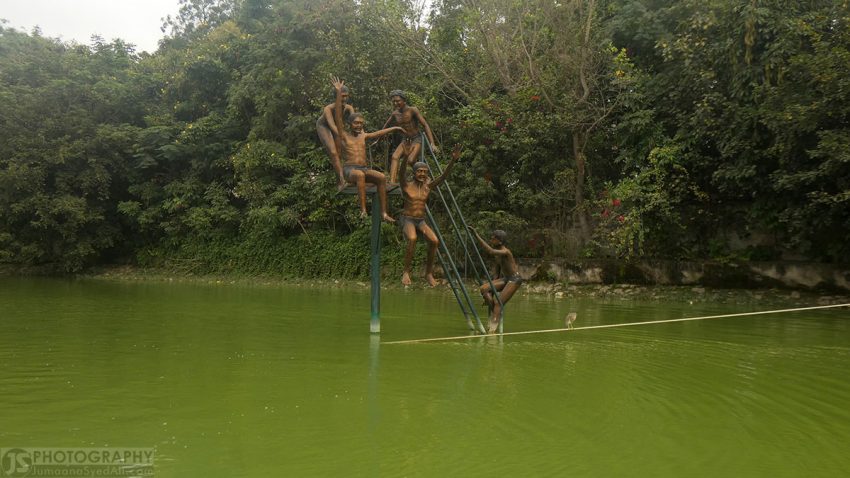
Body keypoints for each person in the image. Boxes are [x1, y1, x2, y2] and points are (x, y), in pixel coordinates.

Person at [331, 77, 403, 222]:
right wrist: (339, 93)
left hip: (362, 169)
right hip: (349, 170)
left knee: (381, 177)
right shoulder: (343, 135)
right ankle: (363, 210)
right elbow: (338, 117)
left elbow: (378, 133)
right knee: (359, 175)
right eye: (356, 123)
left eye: (361, 124)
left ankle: (384, 213)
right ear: (350, 124)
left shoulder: (363, 136)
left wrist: (395, 127)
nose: (359, 126)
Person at [398, 145, 462, 286]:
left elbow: (443, 177)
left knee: (434, 241)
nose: (422, 174)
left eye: (425, 172)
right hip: (407, 219)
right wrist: (405, 158)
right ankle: (406, 271)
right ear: (414, 173)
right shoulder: (406, 186)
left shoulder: (428, 187)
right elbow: (401, 173)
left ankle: (428, 273)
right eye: (419, 171)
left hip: (420, 220)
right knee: (412, 238)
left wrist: (453, 160)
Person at [468, 227, 523, 333]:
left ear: (500, 241)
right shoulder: (498, 256)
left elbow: (490, 251)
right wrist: (489, 296)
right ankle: (495, 312)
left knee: (498, 303)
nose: (491, 240)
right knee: (484, 288)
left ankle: (492, 330)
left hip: (514, 279)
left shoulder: (505, 252)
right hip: (506, 278)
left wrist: (475, 235)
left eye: (493, 239)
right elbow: (496, 276)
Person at [381, 90, 439, 185]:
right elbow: (385, 126)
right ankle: (392, 182)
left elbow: (425, 125)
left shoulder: (412, 110)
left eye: (398, 101)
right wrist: (378, 138)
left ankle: (425, 177)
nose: (396, 103)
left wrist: (432, 143)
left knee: (411, 160)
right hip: (405, 140)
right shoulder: (395, 114)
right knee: (395, 157)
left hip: (416, 138)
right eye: (394, 101)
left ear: (404, 100)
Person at [316, 84, 355, 191]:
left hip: (338, 128)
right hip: (324, 127)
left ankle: (340, 181)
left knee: (340, 153)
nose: (345, 98)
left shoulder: (349, 108)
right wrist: (343, 135)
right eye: (342, 96)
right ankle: (342, 181)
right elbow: (332, 125)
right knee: (333, 152)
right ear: (336, 96)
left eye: (346, 96)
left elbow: (355, 122)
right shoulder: (328, 108)